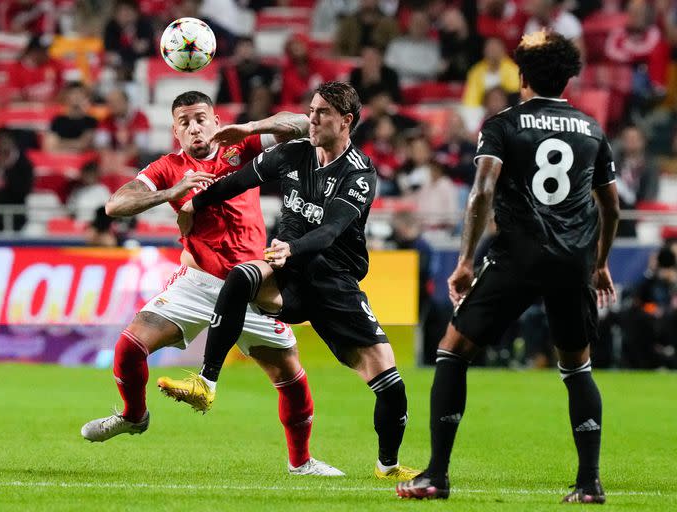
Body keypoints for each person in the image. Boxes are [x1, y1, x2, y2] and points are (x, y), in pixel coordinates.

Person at [396, 31, 620, 503]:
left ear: (522, 77)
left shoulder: (503, 124)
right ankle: (589, 483)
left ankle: (435, 475)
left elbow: (481, 191)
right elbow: (611, 208)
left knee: (453, 349)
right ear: (568, 79)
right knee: (577, 366)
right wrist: (599, 264)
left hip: (518, 253)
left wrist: (463, 261)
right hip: (573, 258)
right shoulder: (591, 128)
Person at [158, 81, 419, 482]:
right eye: (310, 110)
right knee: (244, 275)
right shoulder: (293, 154)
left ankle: (387, 466)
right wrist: (195, 203)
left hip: (334, 283)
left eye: (322, 114)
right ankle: (206, 382)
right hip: (288, 276)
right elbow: (236, 181)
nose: (311, 119)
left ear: (346, 121)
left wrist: (292, 249)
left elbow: (330, 232)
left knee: (390, 385)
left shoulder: (360, 173)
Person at [80, 91, 343, 477]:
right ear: (175, 132)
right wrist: (170, 193)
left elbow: (304, 125)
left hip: (252, 283)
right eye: (184, 122)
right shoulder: (169, 168)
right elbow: (115, 205)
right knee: (129, 347)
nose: (194, 126)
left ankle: (301, 463)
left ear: (216, 121)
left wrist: (252, 126)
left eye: (201, 117)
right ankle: (134, 415)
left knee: (289, 375)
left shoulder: (241, 146)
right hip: (198, 283)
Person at [44, 82, 98, 153]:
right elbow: (49, 146)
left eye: (79, 93)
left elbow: (83, 145)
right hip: (60, 160)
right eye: (72, 93)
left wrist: (59, 143)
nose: (76, 96)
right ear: (66, 97)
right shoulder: (58, 120)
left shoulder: (91, 121)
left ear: (85, 97)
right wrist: (75, 144)